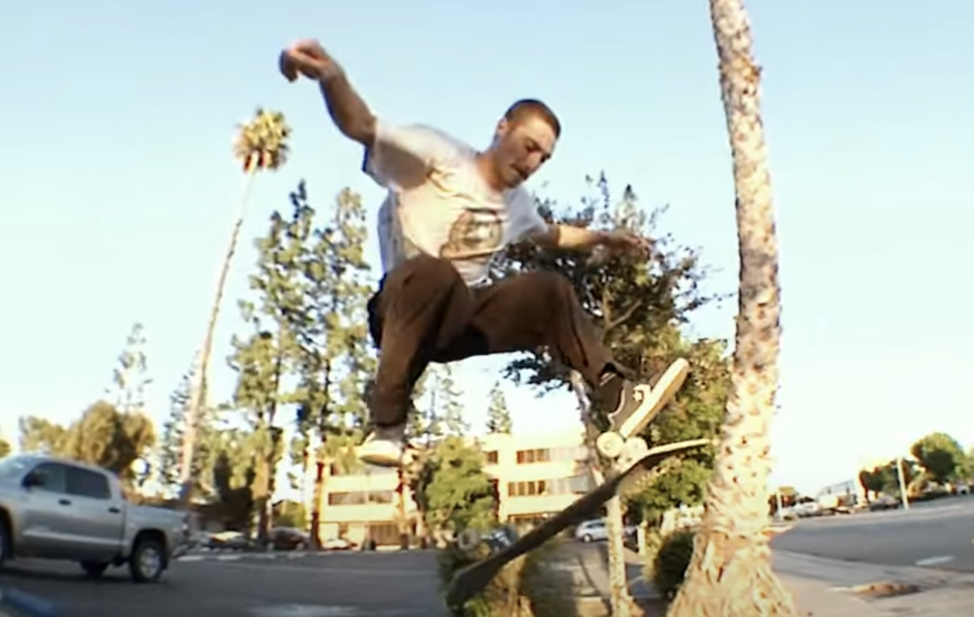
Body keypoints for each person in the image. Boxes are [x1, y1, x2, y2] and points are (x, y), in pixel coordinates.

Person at [279, 39, 689, 466]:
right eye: (529, 147)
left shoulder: (518, 204)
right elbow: (362, 125)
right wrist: (331, 77)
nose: (532, 164)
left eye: (543, 159)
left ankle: (618, 399)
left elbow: (552, 236)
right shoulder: (439, 155)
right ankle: (388, 426)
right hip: (402, 312)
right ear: (502, 128)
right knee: (435, 273)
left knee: (549, 290)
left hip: (461, 322)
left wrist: (606, 238)